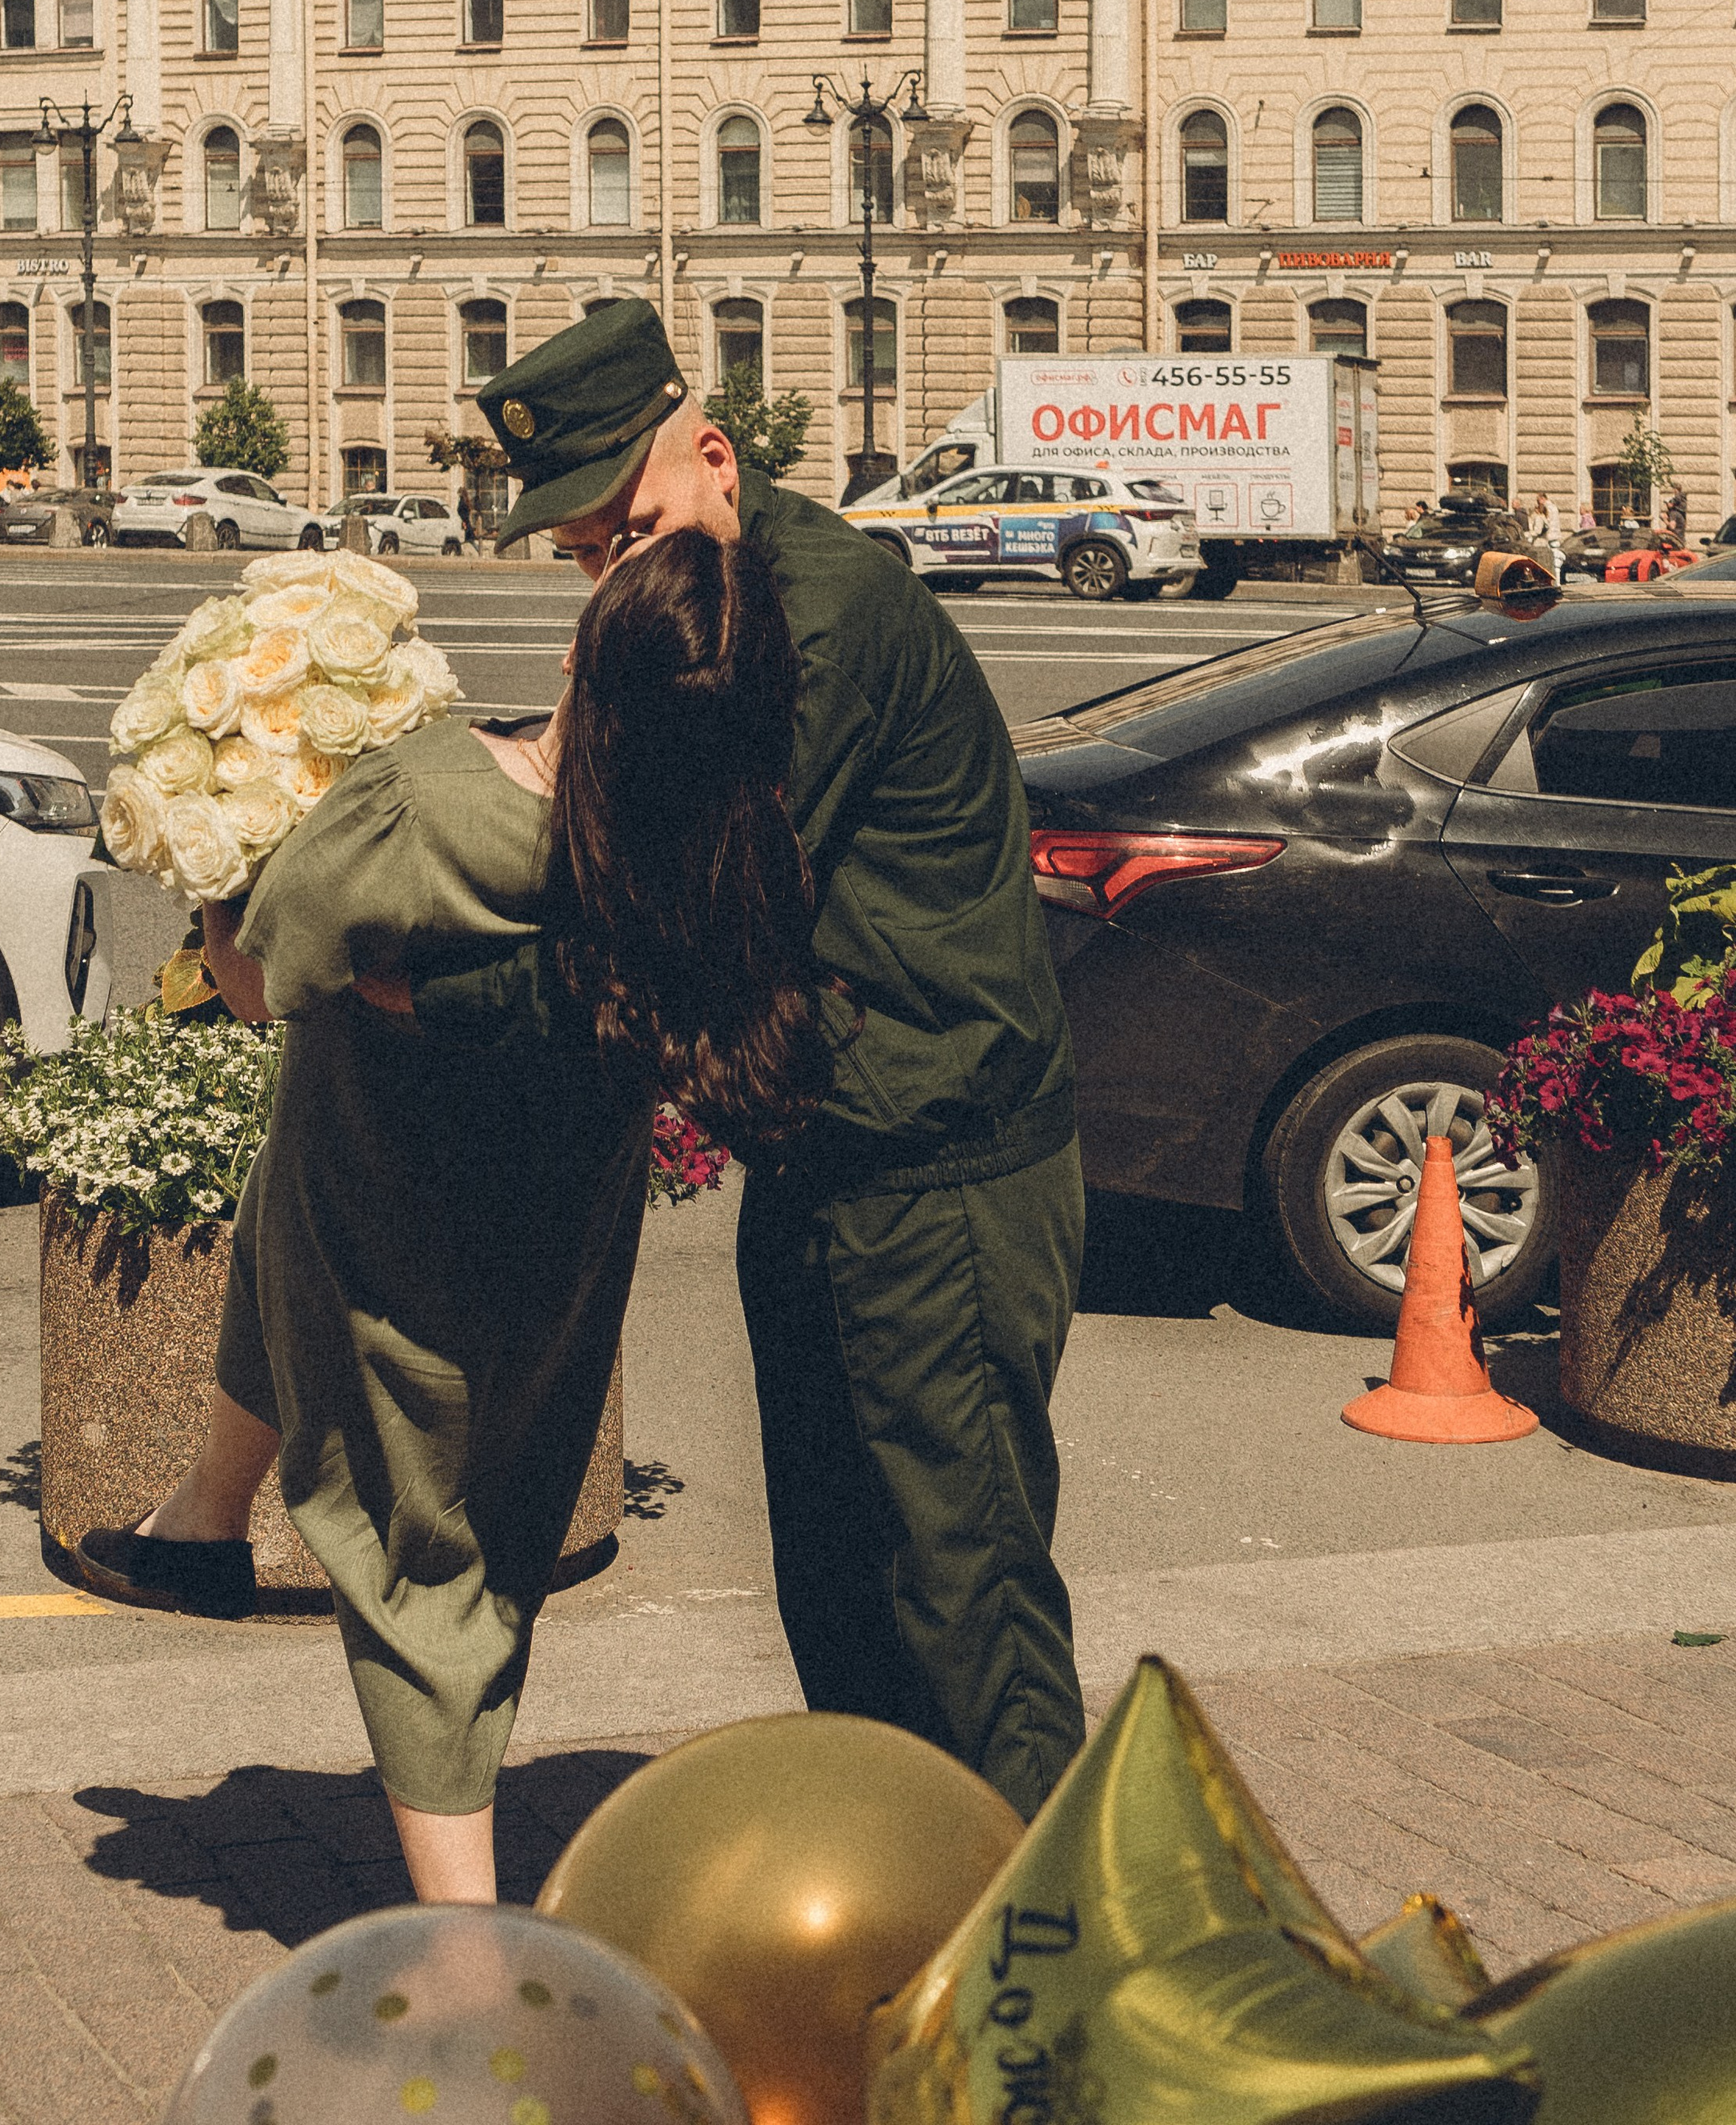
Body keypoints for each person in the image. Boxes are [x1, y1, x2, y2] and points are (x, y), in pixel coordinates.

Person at [77, 530, 829, 1904]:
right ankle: (202, 1521)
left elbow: (253, 985)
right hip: (555, 1236)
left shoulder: (421, 804)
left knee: (419, 1568)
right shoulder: (704, 846)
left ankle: (468, 1943)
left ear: (576, 663)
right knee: (343, 1357)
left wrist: (219, 877)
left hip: (384, 1210)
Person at [415, 301, 1085, 1823]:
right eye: (585, 554)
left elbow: (658, 899)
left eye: (628, 527)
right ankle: (917, 1911)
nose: (612, 576)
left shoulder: (818, 618)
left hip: (943, 1172)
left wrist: (423, 989)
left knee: (965, 1599)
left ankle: (1062, 1967)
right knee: (842, 1589)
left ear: (714, 460)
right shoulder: (708, 602)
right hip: (831, 1154)